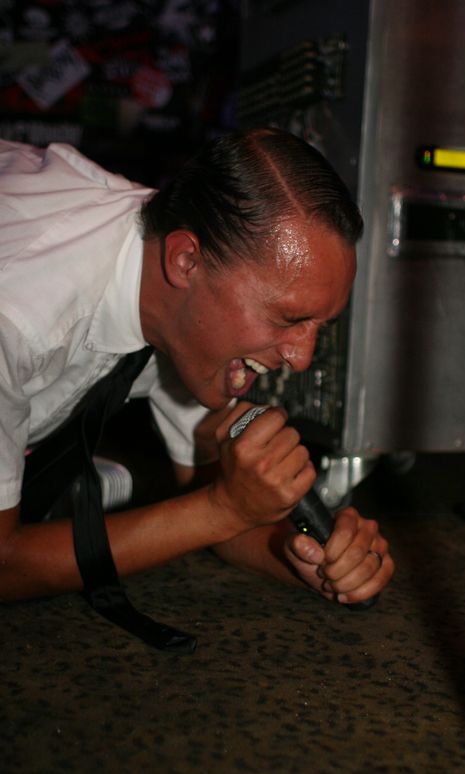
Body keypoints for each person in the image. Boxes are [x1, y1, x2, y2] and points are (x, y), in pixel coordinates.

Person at [0, 128, 394, 630]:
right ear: (185, 261)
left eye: (320, 325)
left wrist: (303, 559)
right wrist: (224, 509)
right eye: (288, 318)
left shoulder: (184, 280)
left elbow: (210, 498)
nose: (301, 358)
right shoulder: (17, 315)